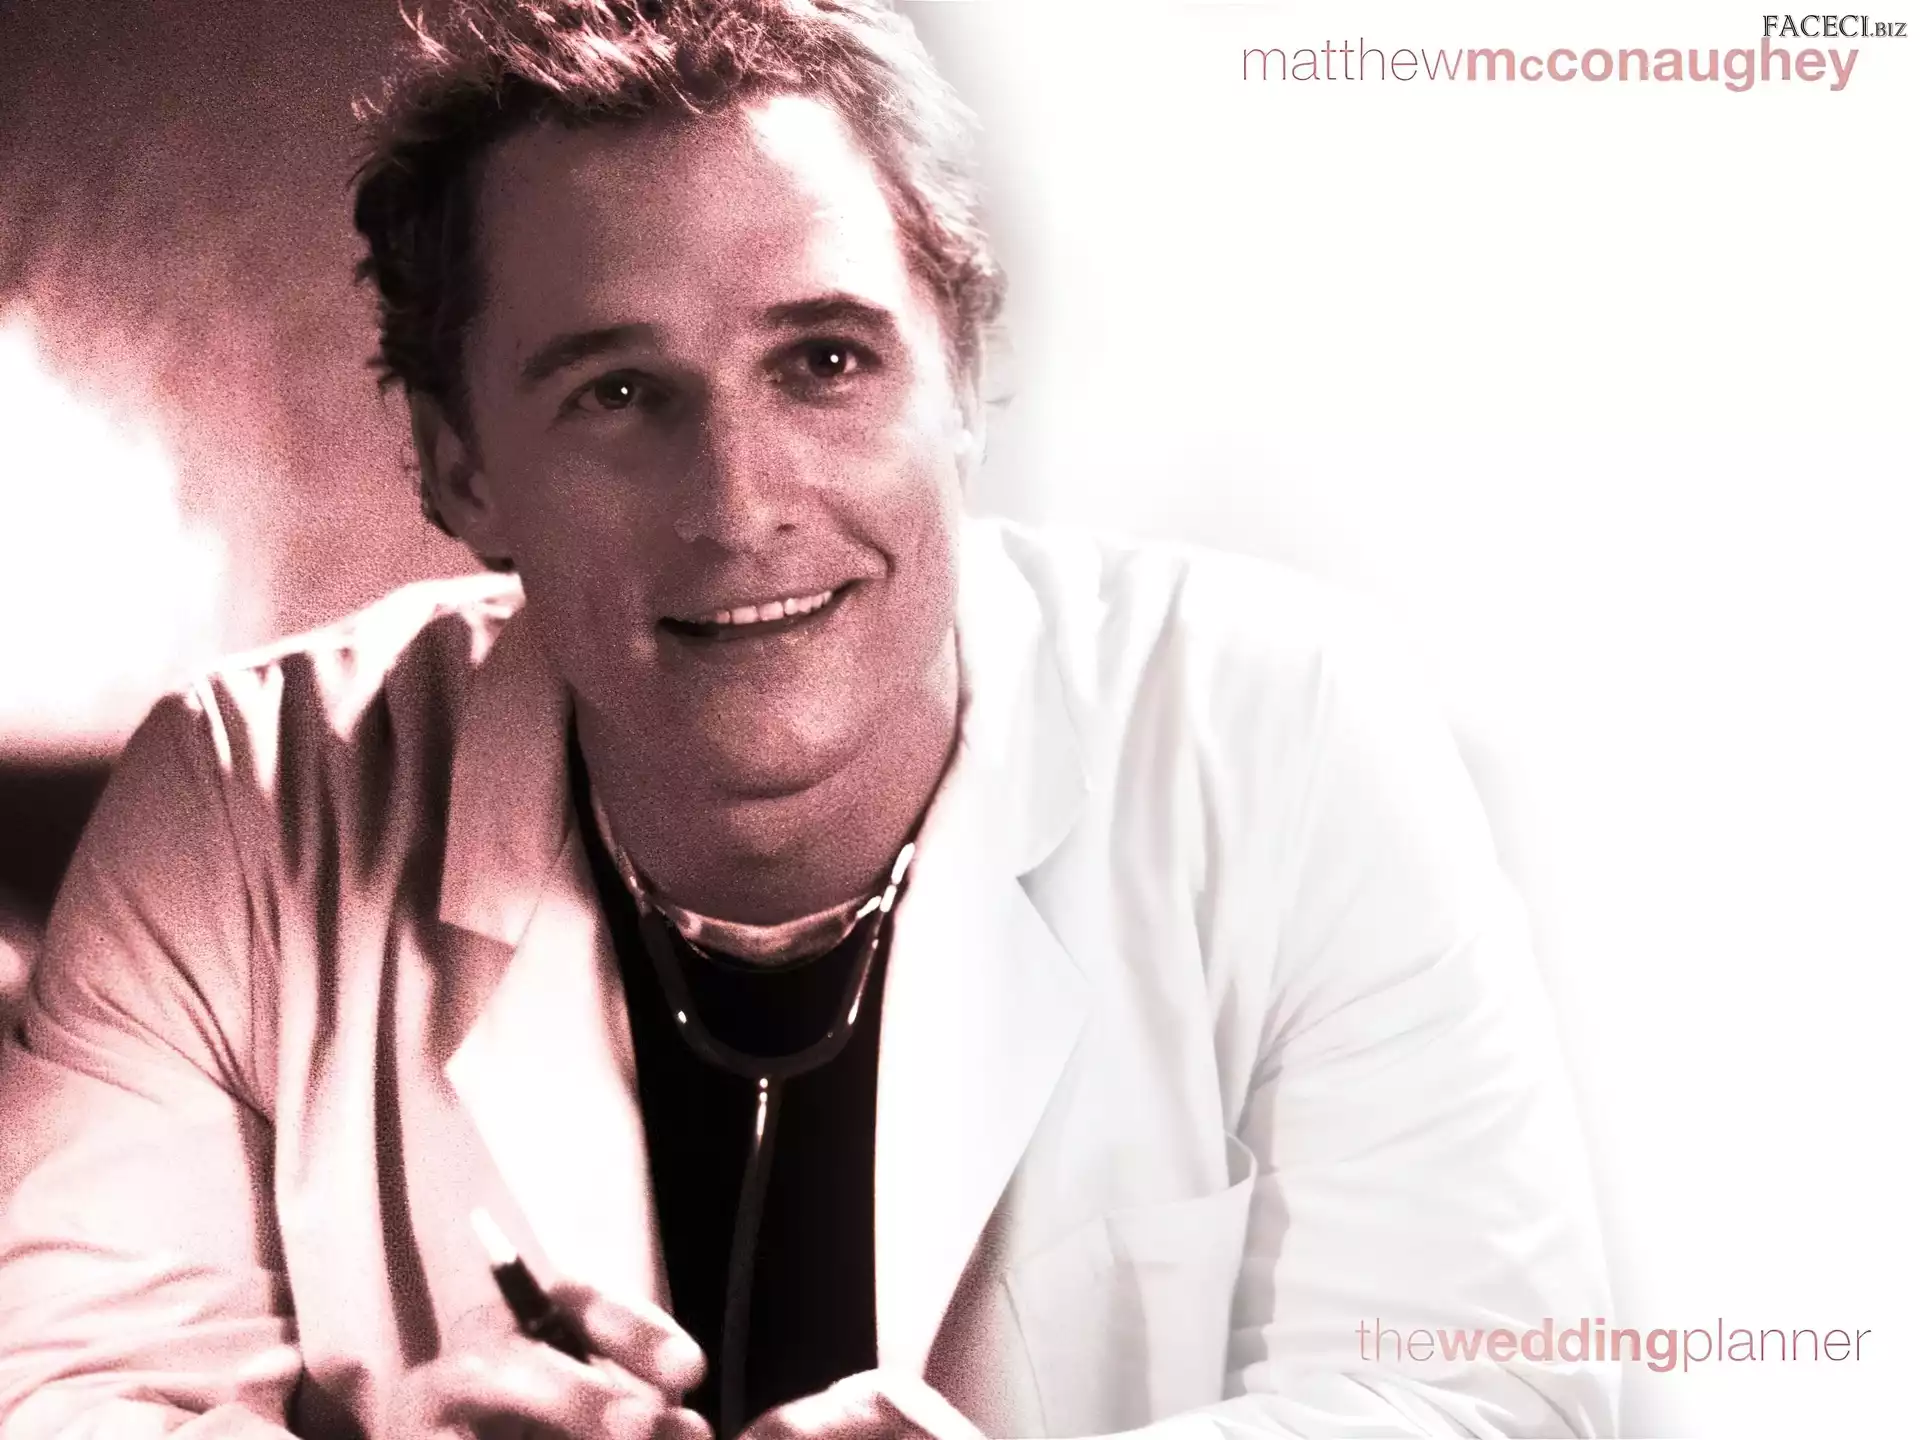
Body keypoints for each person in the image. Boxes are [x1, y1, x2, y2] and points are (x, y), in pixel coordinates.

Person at [0, 2, 1617, 1437]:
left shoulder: (1287, 733)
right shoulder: (241, 801)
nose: (739, 505)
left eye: (826, 361)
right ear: (457, 462)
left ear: (962, 379)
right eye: (616, 393)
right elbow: (58, 1396)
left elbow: (1490, 1391)